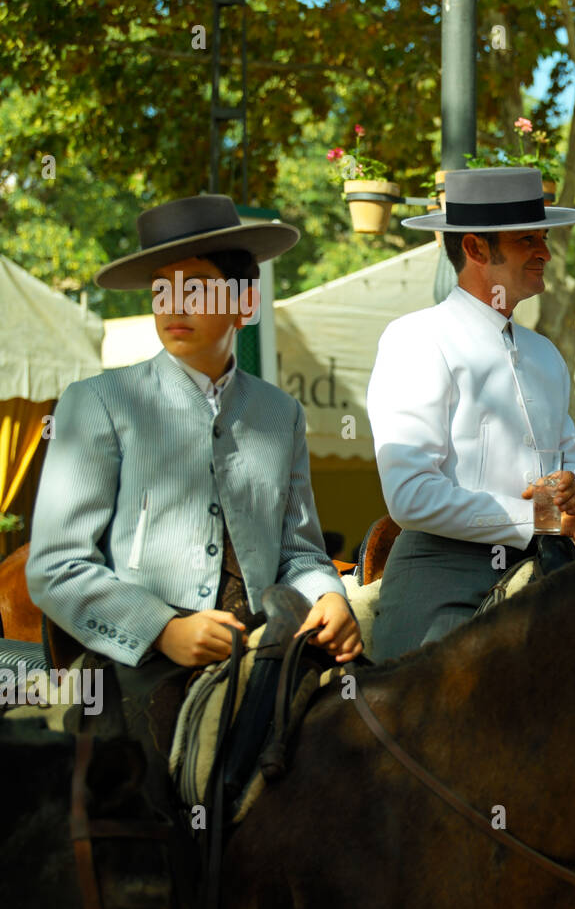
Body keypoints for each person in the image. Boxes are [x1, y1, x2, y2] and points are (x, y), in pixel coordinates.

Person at [26, 194, 360, 670]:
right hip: (136, 659)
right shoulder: (98, 401)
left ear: (245, 304)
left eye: (197, 288)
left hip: (261, 648)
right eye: (162, 289)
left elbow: (297, 553)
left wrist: (329, 597)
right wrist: (162, 630)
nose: (173, 304)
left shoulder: (281, 413)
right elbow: (55, 567)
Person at [367, 167, 575, 658]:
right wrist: (544, 516)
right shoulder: (416, 338)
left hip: (549, 575)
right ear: (477, 249)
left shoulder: (545, 354)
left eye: (543, 238)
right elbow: (411, 497)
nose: (544, 252)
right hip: (445, 582)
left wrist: (571, 488)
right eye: (528, 241)